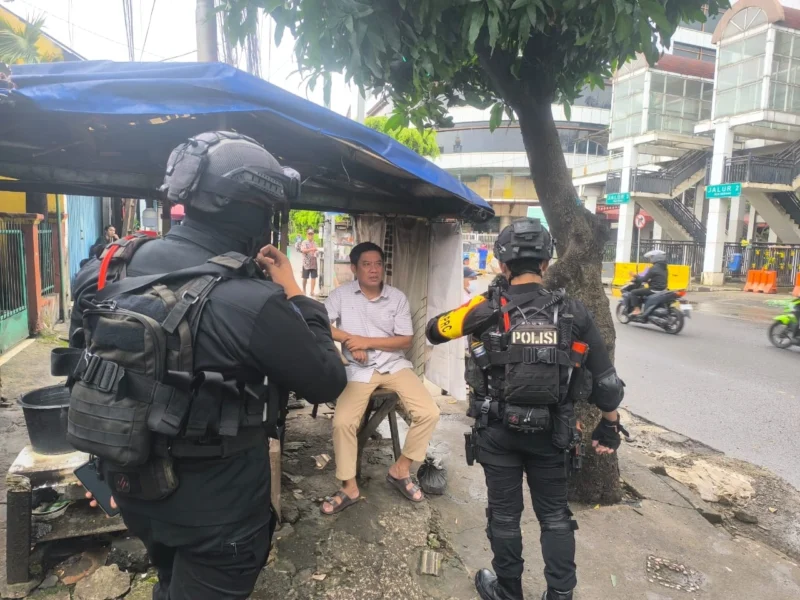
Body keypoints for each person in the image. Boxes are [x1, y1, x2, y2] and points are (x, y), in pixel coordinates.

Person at [69, 131, 347, 599]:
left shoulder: (111, 266)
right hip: (218, 517)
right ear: (257, 212)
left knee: (170, 582)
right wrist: (298, 295)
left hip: (132, 485)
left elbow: (86, 364)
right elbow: (327, 380)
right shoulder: (252, 300)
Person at [426, 218, 626, 600]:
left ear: (502, 265)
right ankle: (560, 594)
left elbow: (435, 330)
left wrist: (478, 308)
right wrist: (609, 425)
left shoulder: (484, 309)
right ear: (546, 264)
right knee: (555, 517)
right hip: (553, 434)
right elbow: (607, 381)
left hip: (498, 431)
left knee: (504, 515)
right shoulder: (574, 312)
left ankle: (507, 590)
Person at [320, 242, 441, 514]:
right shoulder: (341, 295)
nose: (373, 270)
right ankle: (349, 486)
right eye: (366, 264)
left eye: (378, 264)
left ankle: (400, 469)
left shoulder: (396, 297)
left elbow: (405, 339)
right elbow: (321, 324)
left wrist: (365, 341)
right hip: (358, 370)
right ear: (354, 268)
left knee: (429, 412)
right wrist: (351, 342)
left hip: (394, 365)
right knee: (342, 423)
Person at [629, 249, 668, 316]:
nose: (650, 259)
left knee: (633, 292)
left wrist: (635, 276)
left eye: (652, 257)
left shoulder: (653, 268)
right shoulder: (665, 268)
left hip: (654, 289)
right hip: (663, 289)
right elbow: (657, 278)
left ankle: (637, 310)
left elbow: (644, 279)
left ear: (656, 258)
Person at [300, 227, 319, 296]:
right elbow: (303, 250)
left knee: (314, 277)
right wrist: (312, 249)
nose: (310, 235)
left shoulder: (315, 243)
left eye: (312, 234)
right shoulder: (304, 242)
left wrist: (316, 252)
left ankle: (312, 291)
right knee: (305, 277)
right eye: (309, 234)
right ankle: (304, 290)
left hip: (313, 263)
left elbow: (317, 251)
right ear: (307, 235)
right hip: (306, 263)